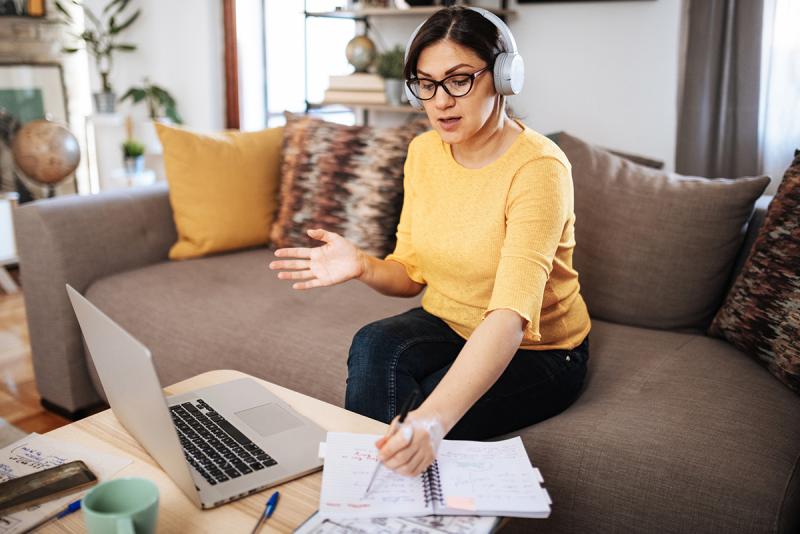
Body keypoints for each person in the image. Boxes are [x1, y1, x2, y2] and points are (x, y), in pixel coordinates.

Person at [269, 6, 591, 478]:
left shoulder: (539, 169)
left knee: (426, 412)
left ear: (503, 76)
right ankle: (366, 489)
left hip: (539, 352)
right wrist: (362, 264)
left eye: (460, 80)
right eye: (427, 83)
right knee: (374, 341)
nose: (440, 101)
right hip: (450, 322)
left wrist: (432, 421)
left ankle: (364, 491)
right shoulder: (424, 151)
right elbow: (410, 274)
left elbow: (508, 320)